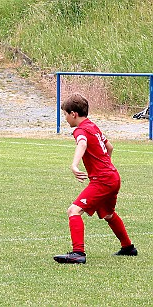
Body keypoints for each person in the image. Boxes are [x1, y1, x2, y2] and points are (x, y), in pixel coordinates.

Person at [54, 93, 137, 264]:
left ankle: (78, 253)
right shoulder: (93, 126)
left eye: (65, 115)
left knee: (73, 211)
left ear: (73, 114)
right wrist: (105, 165)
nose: (66, 119)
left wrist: (74, 165)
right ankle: (128, 247)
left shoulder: (80, 130)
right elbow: (109, 147)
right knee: (108, 214)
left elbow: (82, 143)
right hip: (113, 176)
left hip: (103, 180)